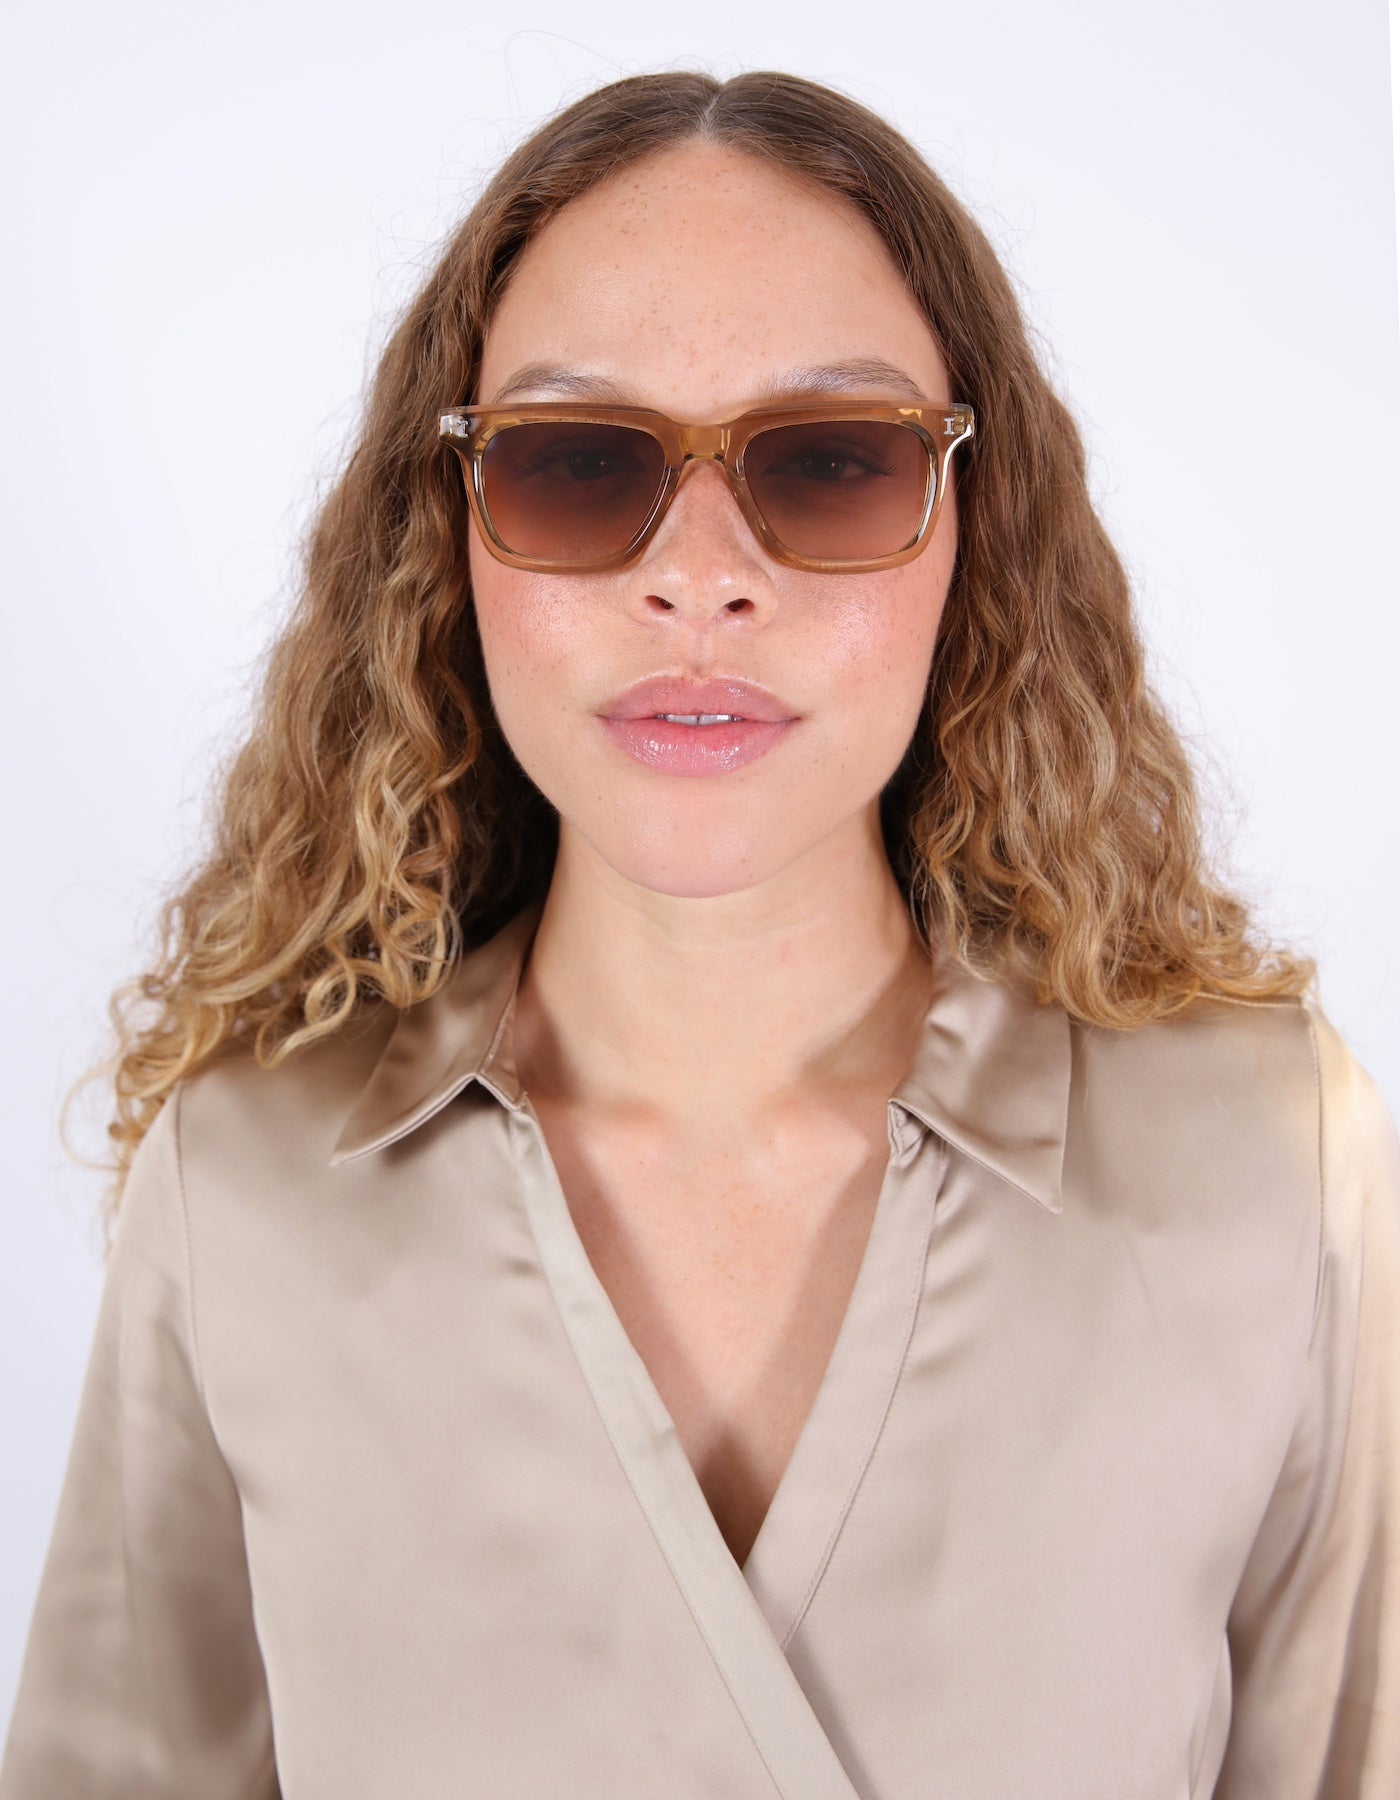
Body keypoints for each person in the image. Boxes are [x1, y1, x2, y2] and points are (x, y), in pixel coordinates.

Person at [2, 66, 1397, 1800]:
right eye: (584, 466)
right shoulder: (249, 1188)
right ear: (449, 533)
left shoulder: (1269, 1161)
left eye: (828, 464)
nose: (701, 578)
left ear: (978, 523)